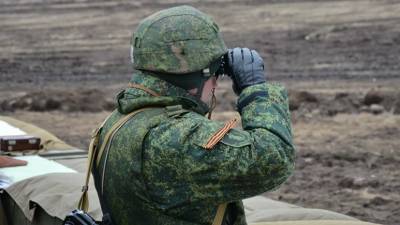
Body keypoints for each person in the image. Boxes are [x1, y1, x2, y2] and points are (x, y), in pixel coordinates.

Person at [91, 5, 295, 225]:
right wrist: (255, 89)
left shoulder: (118, 121)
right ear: (194, 76)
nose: (216, 82)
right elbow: (274, 159)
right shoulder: (176, 138)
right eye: (214, 72)